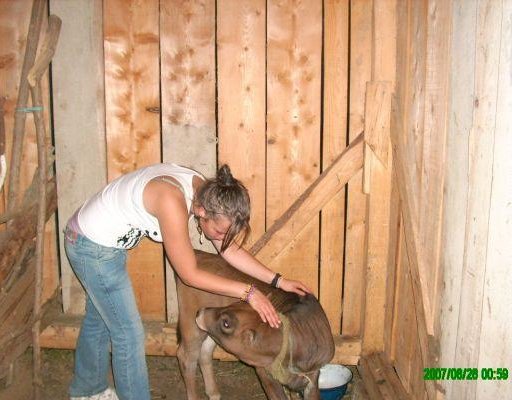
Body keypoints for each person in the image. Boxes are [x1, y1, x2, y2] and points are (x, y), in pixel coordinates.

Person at [64, 163, 311, 400]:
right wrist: (249, 292)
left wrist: (278, 281)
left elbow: (229, 251)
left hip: (96, 241)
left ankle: (87, 390)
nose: (223, 238)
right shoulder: (171, 201)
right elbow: (189, 274)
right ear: (202, 213)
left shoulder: (206, 193)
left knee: (99, 318)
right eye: (221, 232)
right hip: (91, 247)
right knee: (128, 334)